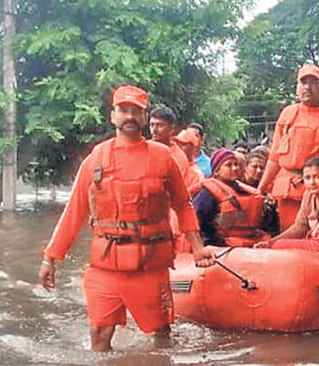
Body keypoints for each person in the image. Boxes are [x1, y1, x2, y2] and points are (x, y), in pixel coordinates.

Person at [38, 85, 214, 351]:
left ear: (144, 118)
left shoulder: (163, 157)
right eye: (123, 110)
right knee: (98, 336)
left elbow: (183, 205)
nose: (129, 116)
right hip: (105, 266)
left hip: (150, 266)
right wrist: (50, 258)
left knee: (161, 334)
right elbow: (73, 212)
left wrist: (198, 248)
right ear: (113, 115)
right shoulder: (95, 159)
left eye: (136, 111)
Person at [258, 64, 319, 231]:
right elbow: (275, 157)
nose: (307, 87)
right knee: (289, 239)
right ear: (297, 87)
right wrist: (260, 190)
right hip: (289, 192)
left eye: (313, 82)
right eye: (303, 82)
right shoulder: (288, 114)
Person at [193, 148, 278, 247]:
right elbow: (198, 224)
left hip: (252, 242)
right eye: (229, 165)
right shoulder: (207, 194)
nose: (234, 168)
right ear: (216, 171)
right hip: (222, 246)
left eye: (236, 164)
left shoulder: (247, 191)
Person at [149, 106, 198, 194]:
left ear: (172, 128)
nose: (154, 130)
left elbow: (178, 193)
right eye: (151, 125)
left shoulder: (178, 158)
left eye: (160, 125)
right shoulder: (143, 148)